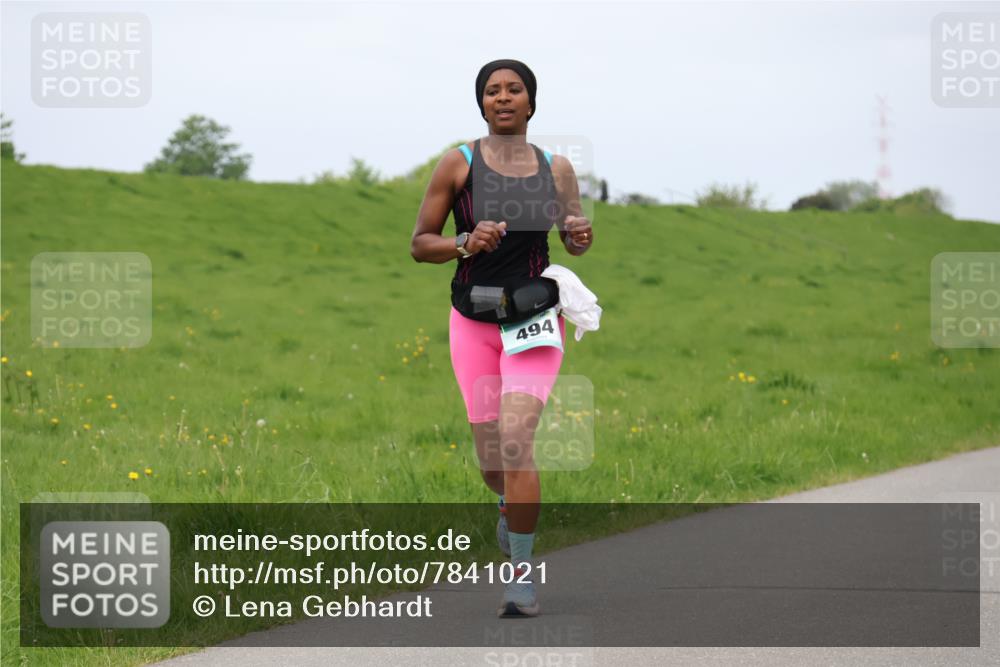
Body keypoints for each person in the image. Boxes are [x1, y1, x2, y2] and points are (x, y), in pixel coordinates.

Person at [410, 59, 593, 617]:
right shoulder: (457, 164)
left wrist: (580, 236)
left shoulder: (557, 168)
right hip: (473, 319)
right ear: (482, 104)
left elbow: (573, 235)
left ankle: (521, 576)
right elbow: (421, 243)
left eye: (515, 89)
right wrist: (466, 241)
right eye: (493, 91)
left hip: (534, 319)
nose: (504, 97)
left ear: (532, 103)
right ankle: (503, 503)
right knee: (493, 459)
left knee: (516, 443)